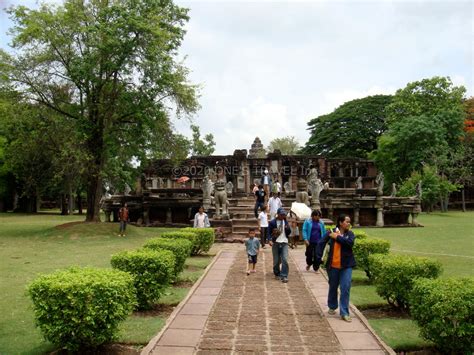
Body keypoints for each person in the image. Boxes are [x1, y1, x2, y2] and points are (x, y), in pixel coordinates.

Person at [316, 214, 356, 322]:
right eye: (347, 221)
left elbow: (349, 243)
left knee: (345, 287)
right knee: (333, 286)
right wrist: (318, 257)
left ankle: (344, 312)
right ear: (340, 223)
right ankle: (332, 306)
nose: (349, 223)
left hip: (346, 266)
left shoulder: (350, 234)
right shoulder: (331, 232)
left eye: (349, 222)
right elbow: (321, 243)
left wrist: (337, 237)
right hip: (333, 265)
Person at [267, 207, 291, 283]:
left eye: (284, 215)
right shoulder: (272, 222)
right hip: (276, 242)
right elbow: (268, 232)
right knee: (276, 260)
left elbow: (289, 232)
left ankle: (284, 275)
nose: (282, 216)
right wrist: (270, 240)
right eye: (281, 214)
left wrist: (287, 228)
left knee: (284, 259)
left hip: (284, 242)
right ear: (278, 214)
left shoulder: (285, 222)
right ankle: (277, 272)